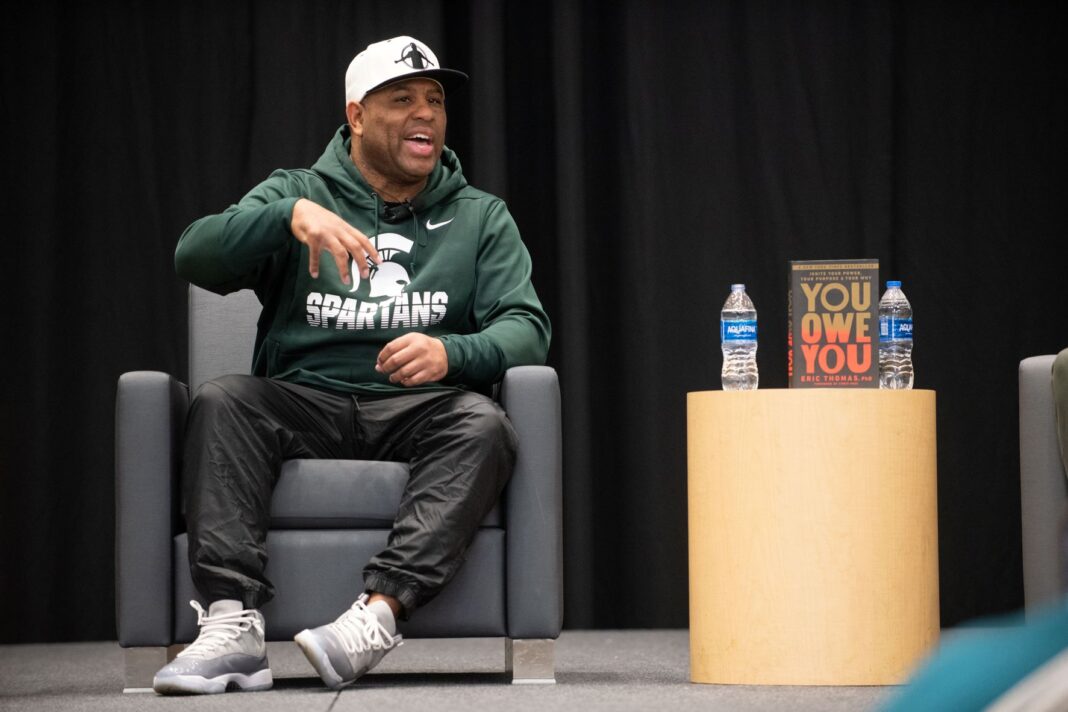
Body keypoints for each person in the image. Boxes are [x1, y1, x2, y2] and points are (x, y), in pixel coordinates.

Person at [151, 35, 550, 695]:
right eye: (403, 100)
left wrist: (452, 351)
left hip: (417, 408)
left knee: (483, 423)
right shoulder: (299, 194)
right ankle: (232, 627)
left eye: (435, 100)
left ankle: (378, 615)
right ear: (357, 116)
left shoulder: (480, 216)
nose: (426, 113)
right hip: (302, 399)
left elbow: (528, 329)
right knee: (223, 401)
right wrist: (287, 218)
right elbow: (194, 256)